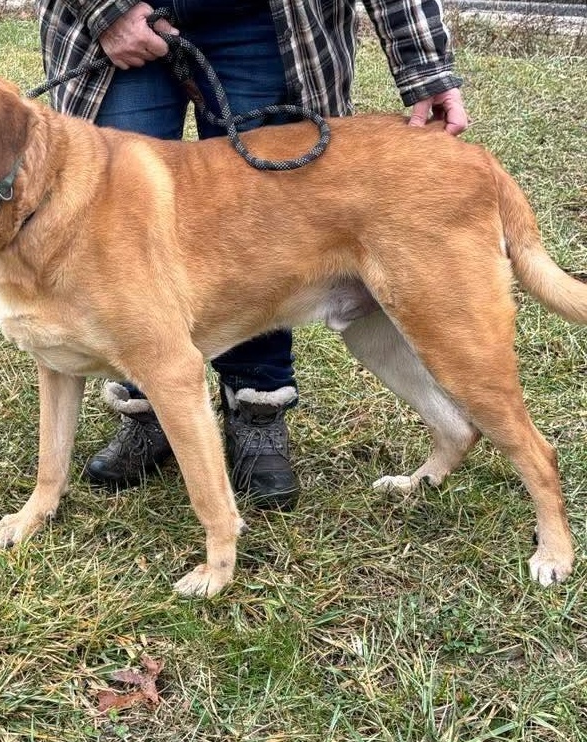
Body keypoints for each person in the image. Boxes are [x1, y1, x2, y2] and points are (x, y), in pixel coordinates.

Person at [36, 0, 468, 508]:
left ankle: (256, 404)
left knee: (266, 223)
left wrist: (425, 64)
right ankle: (147, 409)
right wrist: (106, 10)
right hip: (119, 23)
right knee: (112, 228)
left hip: (268, 20)